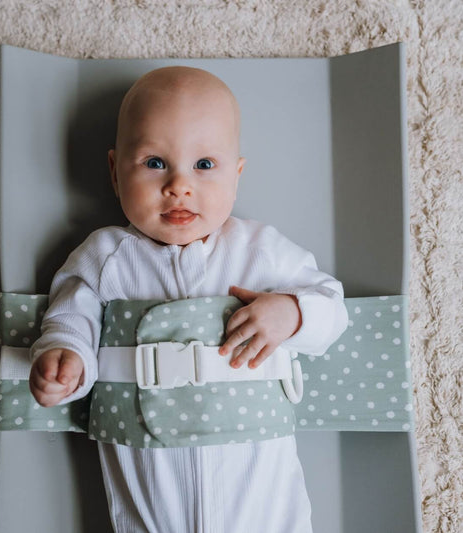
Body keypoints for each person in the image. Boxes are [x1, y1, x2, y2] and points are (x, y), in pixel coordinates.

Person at [29, 65, 348, 533]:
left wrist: (293, 313)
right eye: (155, 163)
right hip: (150, 482)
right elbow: (69, 316)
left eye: (204, 165)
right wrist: (65, 358)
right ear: (116, 173)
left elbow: (333, 308)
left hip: (258, 483)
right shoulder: (106, 258)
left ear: (236, 176)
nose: (179, 185)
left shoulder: (257, 249)